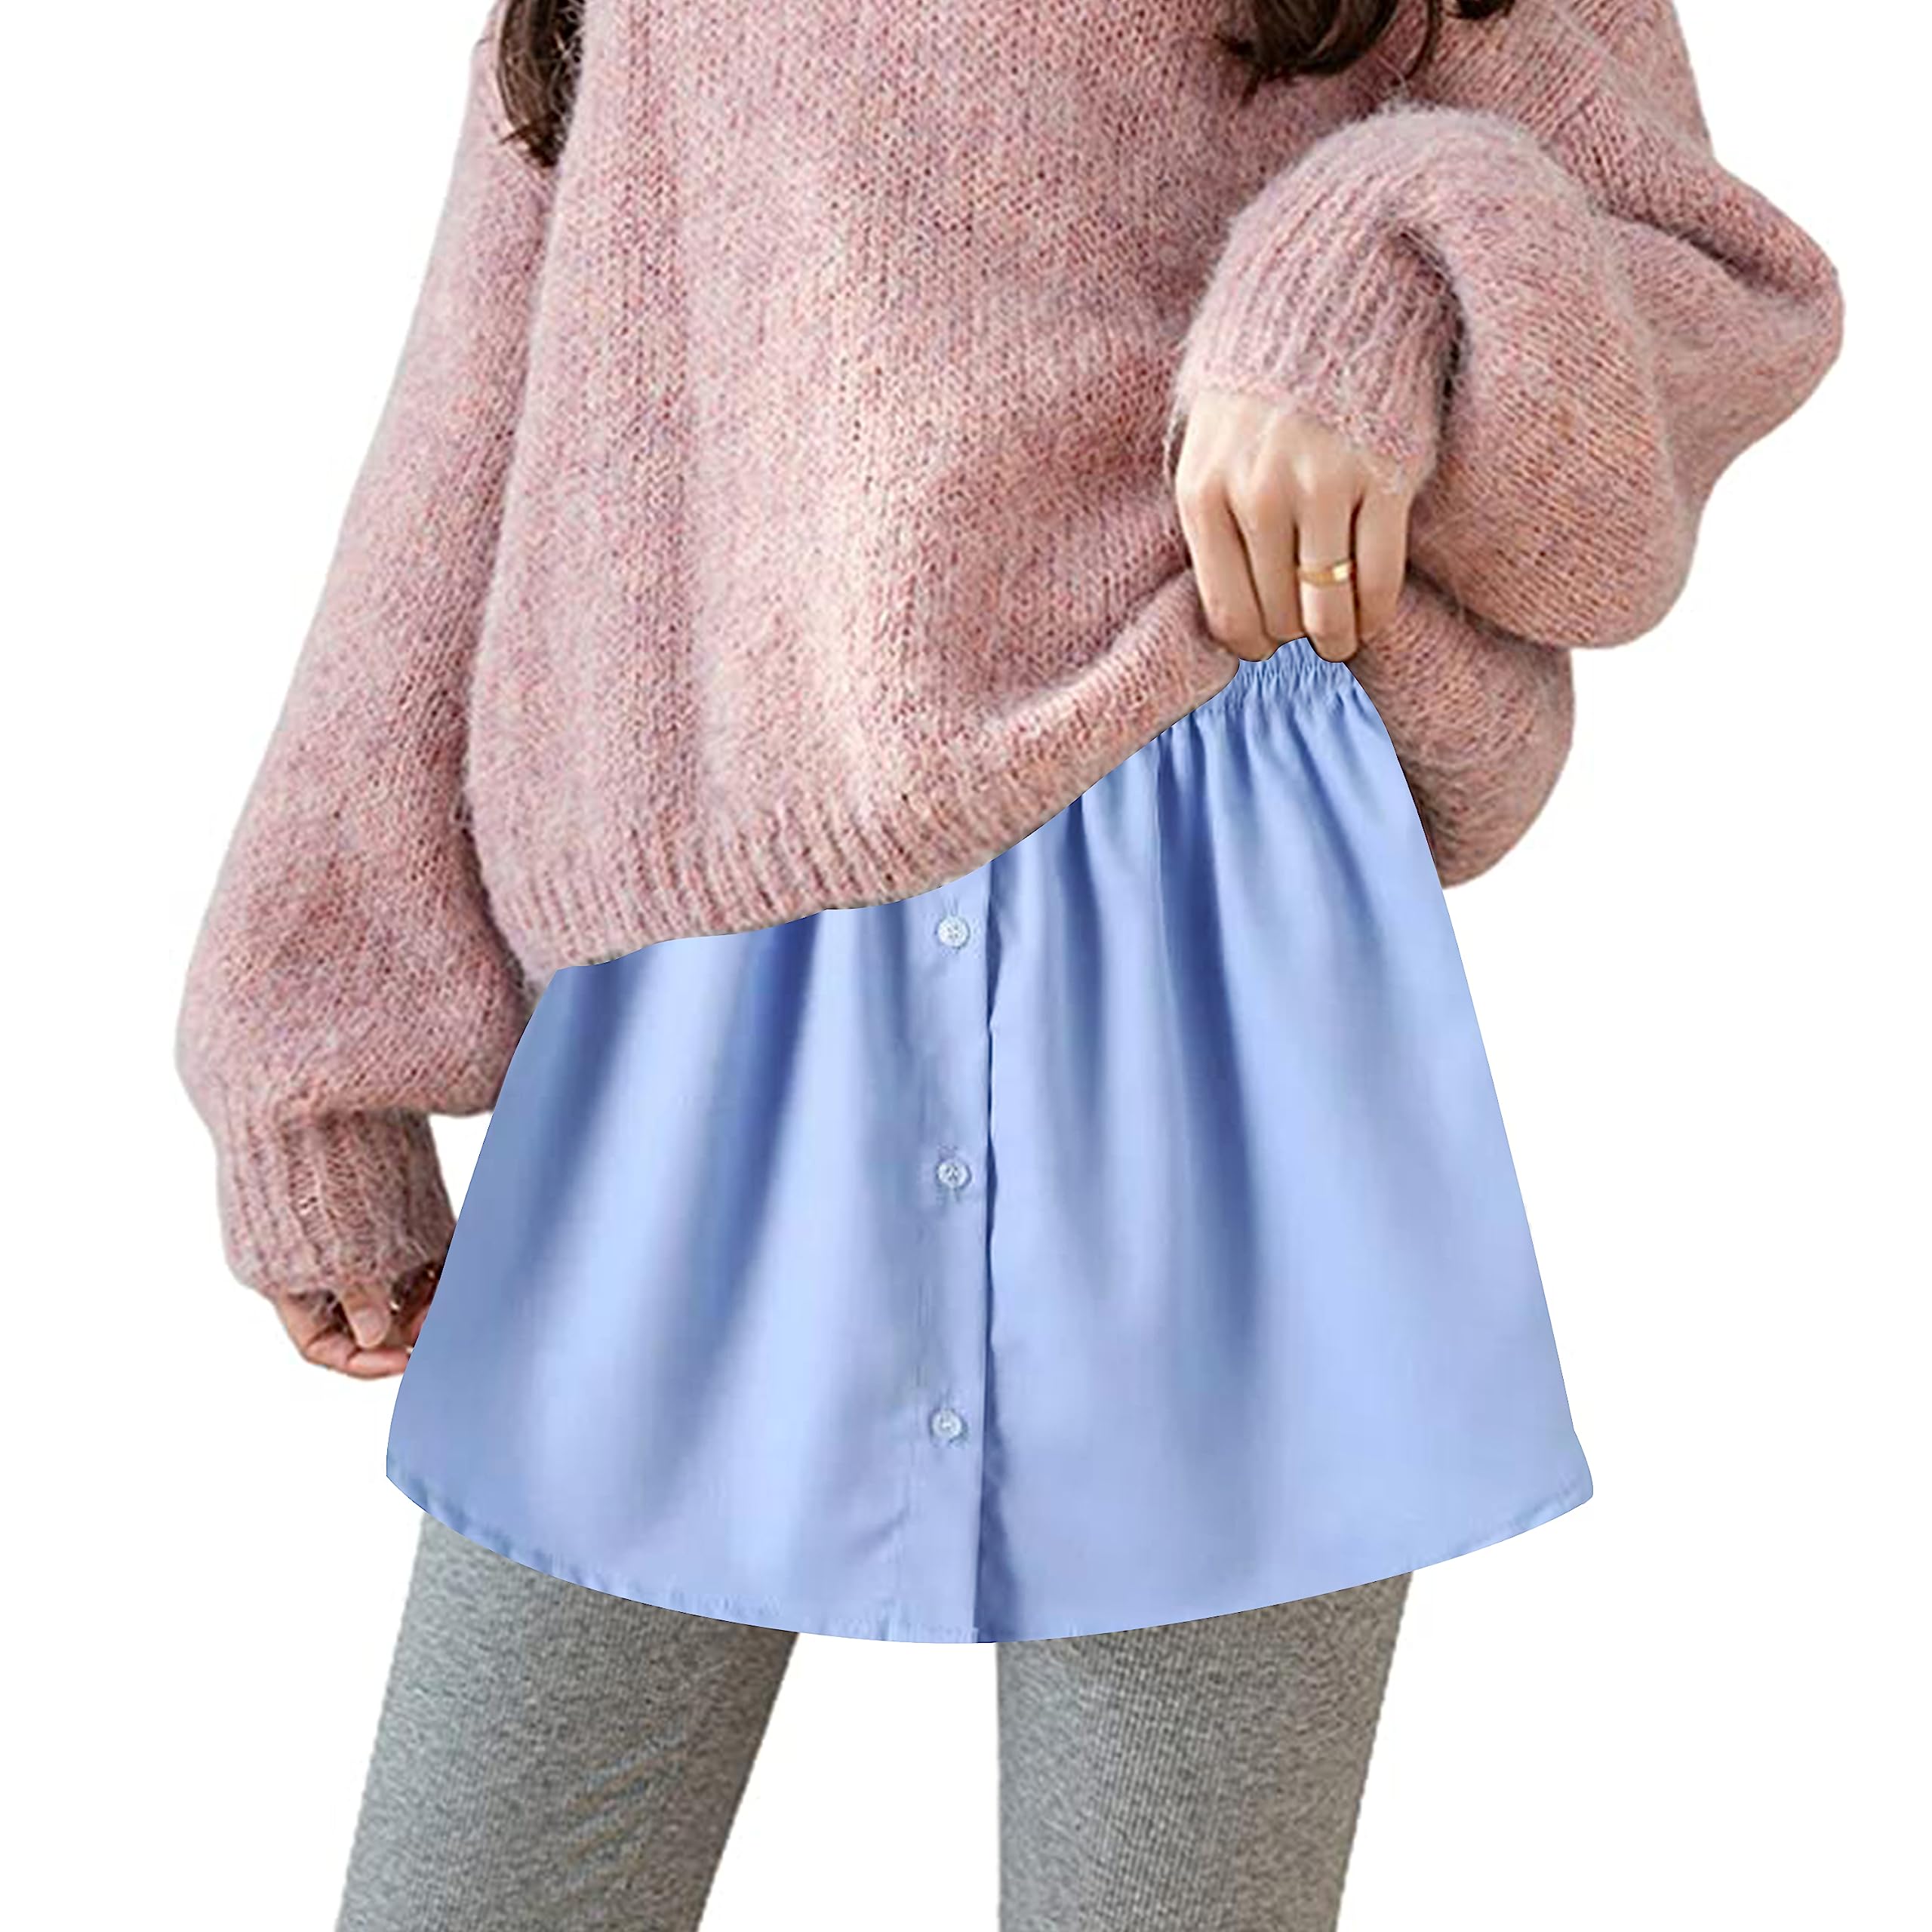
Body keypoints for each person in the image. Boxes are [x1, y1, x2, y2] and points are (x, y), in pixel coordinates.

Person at [173, 1, 1844, 1924]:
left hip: (1214, 948)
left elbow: (1716, 287)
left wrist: (1374, 254)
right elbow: (480, 422)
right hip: (704, 971)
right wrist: (308, 1035)